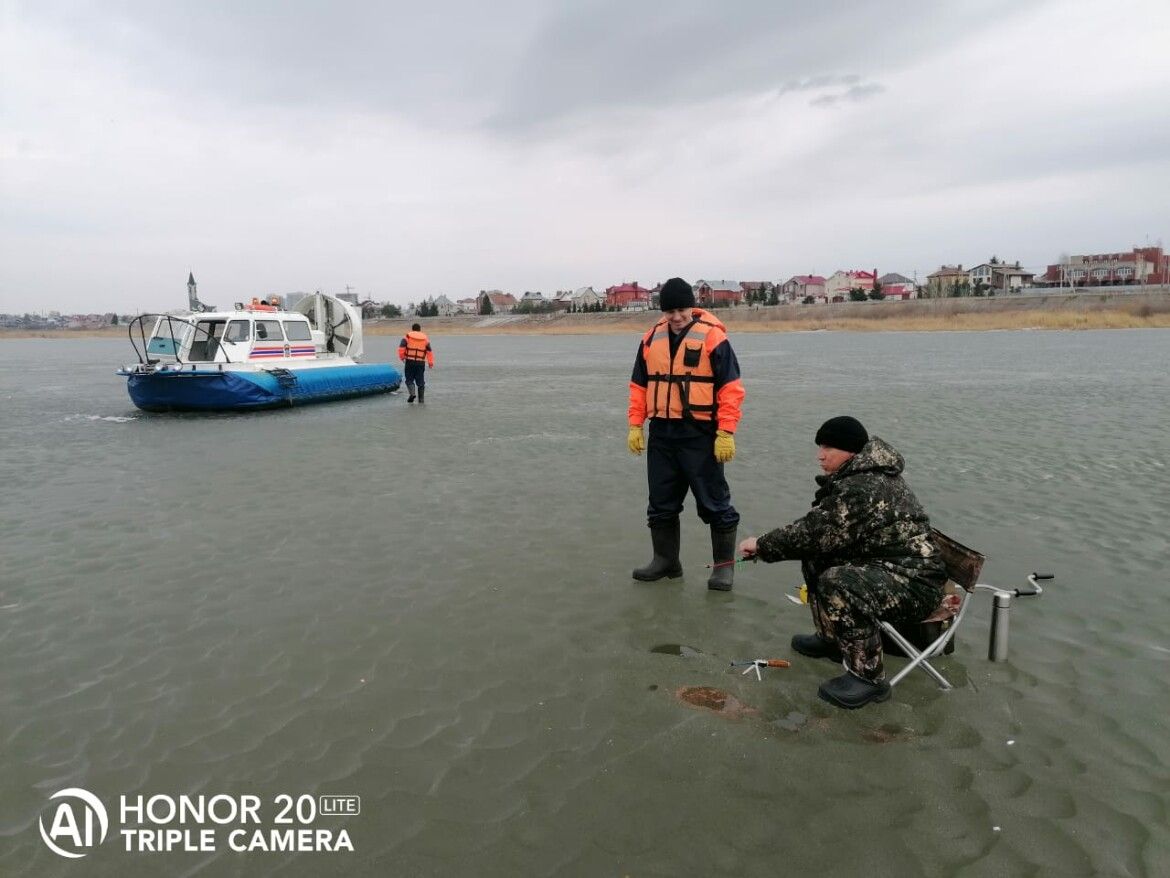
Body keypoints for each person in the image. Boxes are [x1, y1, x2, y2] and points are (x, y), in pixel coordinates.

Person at [737, 416, 947, 708]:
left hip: (917, 585)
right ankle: (833, 640)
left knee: (839, 582)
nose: (820, 455)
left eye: (828, 448)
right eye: (820, 447)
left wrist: (761, 544)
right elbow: (821, 533)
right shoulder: (860, 476)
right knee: (818, 558)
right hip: (892, 569)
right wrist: (768, 546)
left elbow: (815, 533)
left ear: (850, 451)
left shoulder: (864, 486)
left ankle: (869, 678)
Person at [627, 277, 745, 590]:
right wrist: (635, 425)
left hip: (700, 433)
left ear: (692, 307)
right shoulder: (651, 338)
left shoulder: (713, 337)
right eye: (670, 311)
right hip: (662, 434)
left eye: (681, 309)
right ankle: (666, 561)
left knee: (714, 503)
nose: (676, 317)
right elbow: (639, 386)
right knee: (661, 502)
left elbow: (731, 388)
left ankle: (723, 568)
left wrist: (726, 432)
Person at [398, 322, 435, 403]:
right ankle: (421, 400)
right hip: (420, 363)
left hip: (409, 361)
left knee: (409, 380)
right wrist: (430, 362)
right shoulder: (425, 339)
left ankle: (412, 394)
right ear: (420, 330)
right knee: (420, 382)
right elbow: (429, 351)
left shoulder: (407, 337)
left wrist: (402, 357)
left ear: (412, 329)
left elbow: (401, 348)